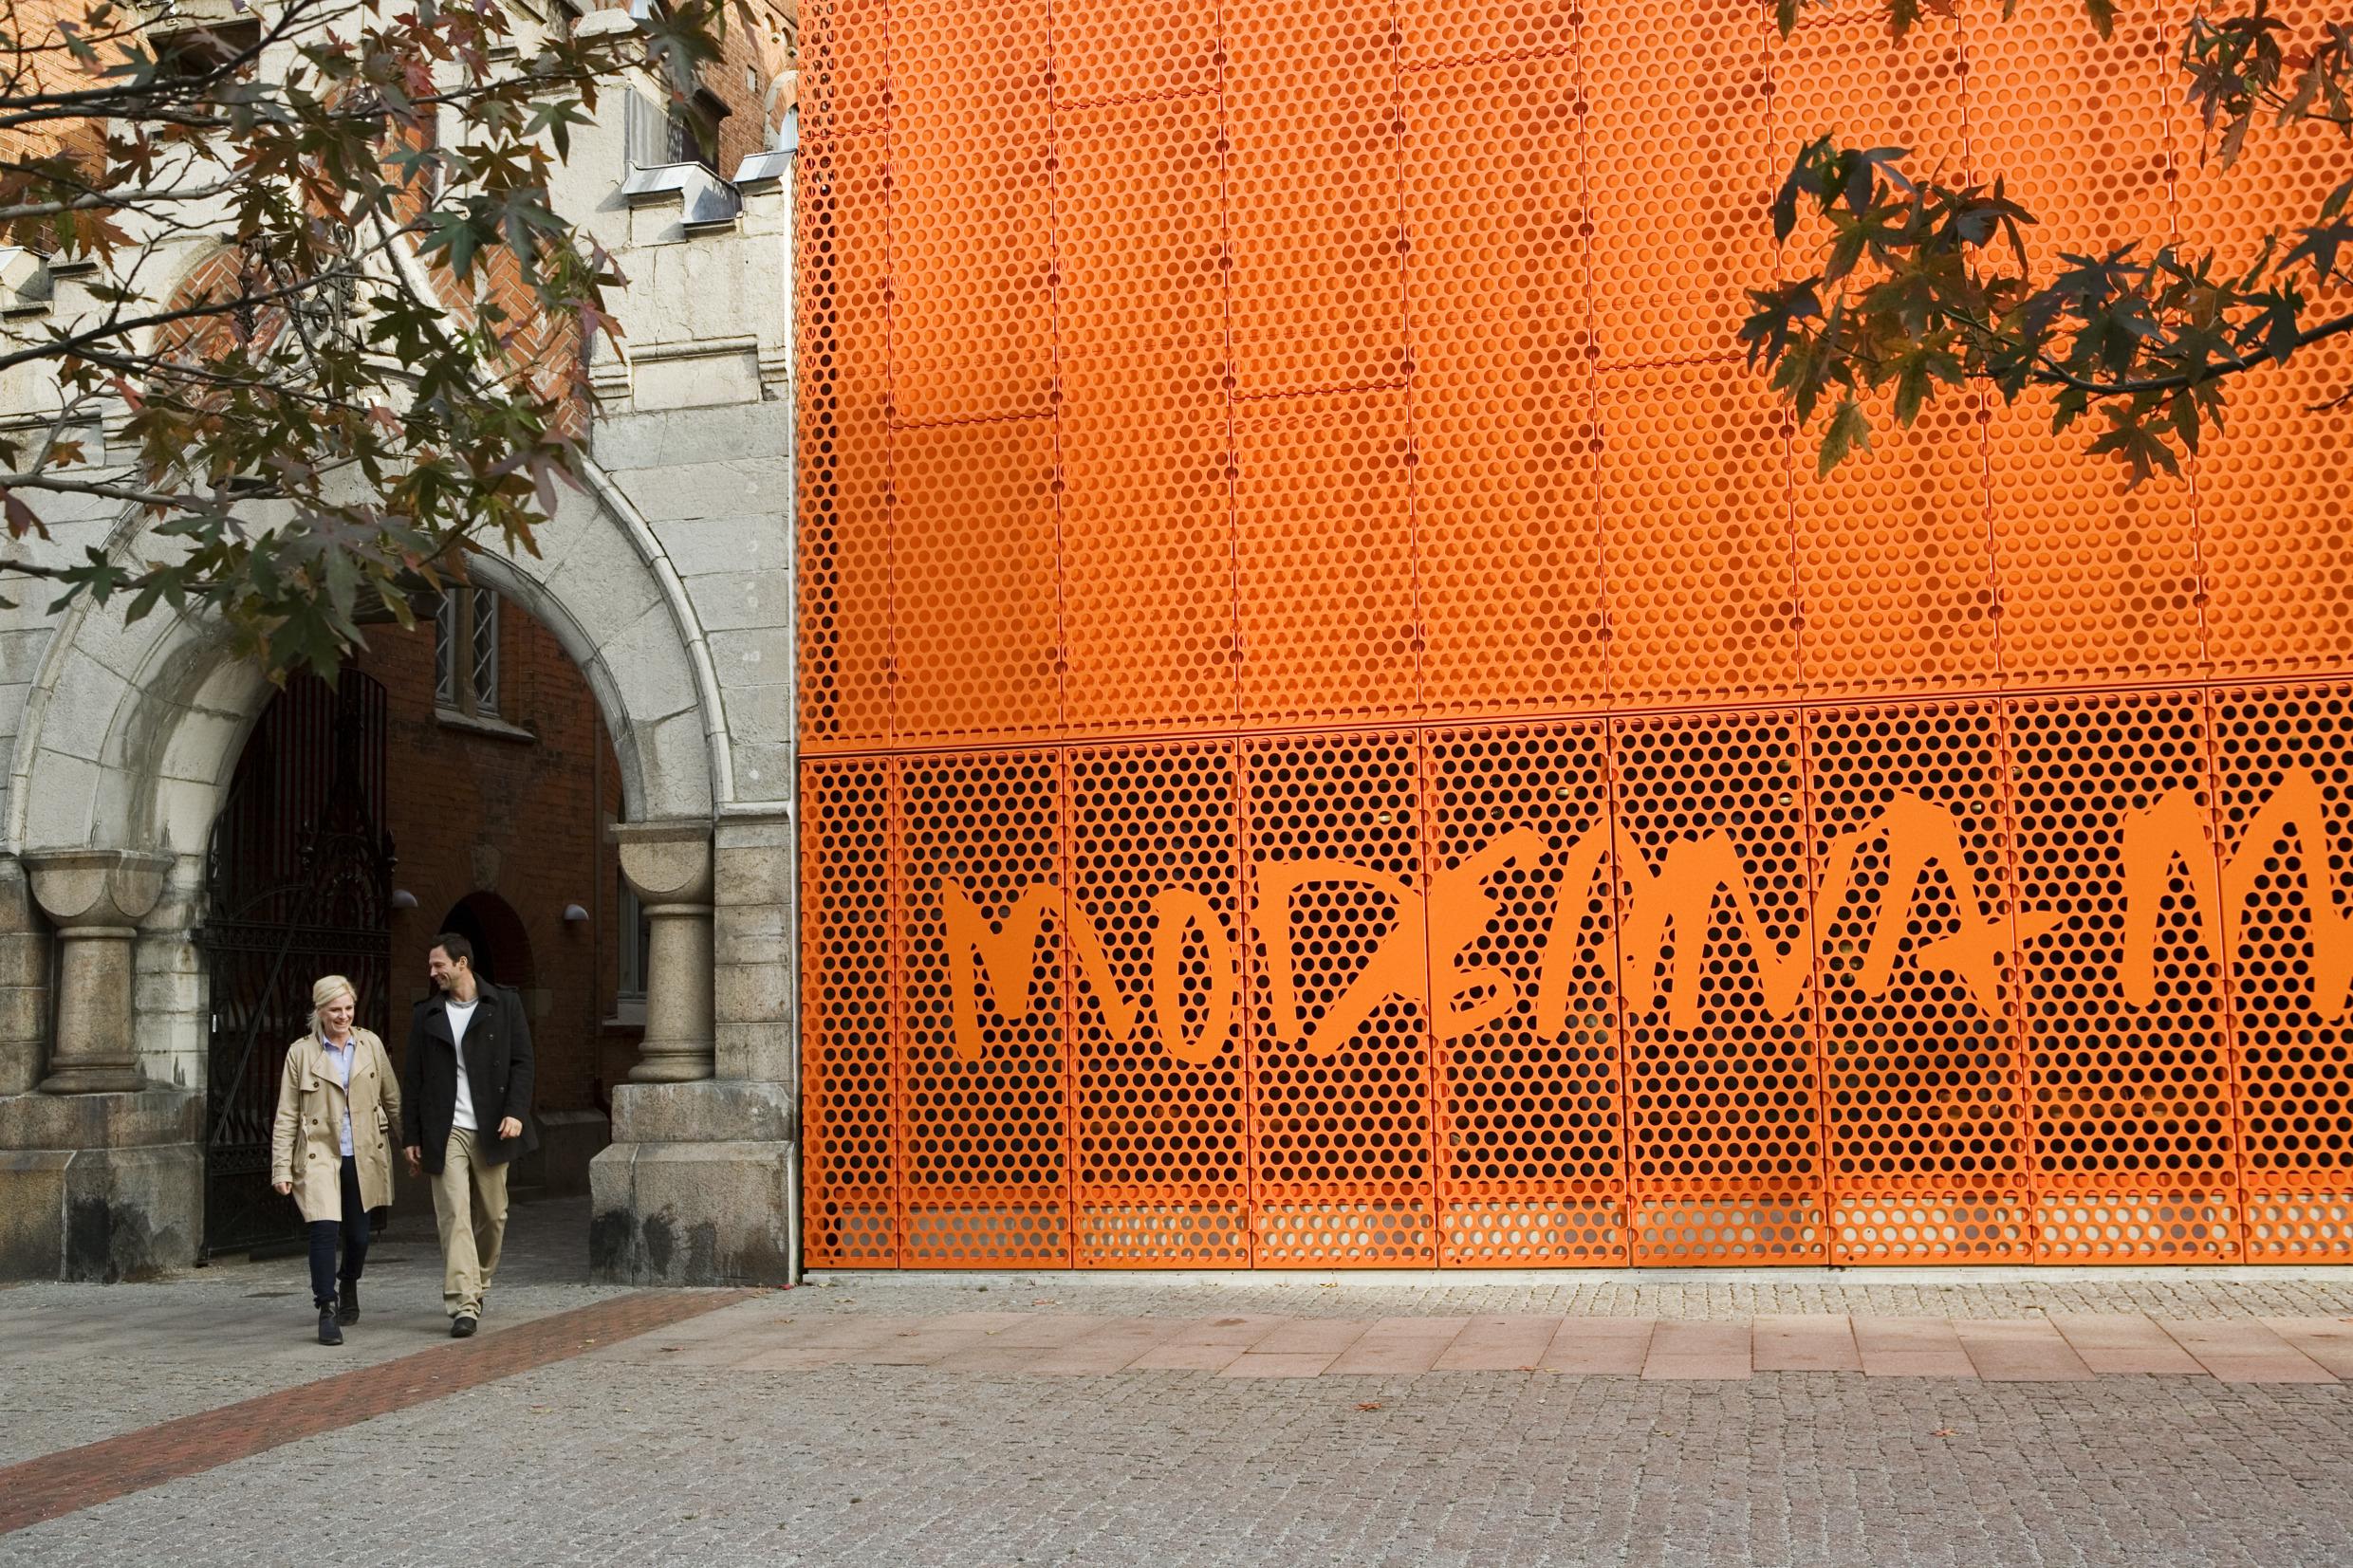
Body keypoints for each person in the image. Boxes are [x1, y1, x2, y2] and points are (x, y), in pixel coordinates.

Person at [400, 932, 537, 1337]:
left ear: (462, 964)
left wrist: (516, 1112)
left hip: (493, 1124)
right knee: (454, 1214)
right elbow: (414, 1079)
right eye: (430, 966)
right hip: (445, 1129)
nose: (433, 972)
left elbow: (523, 1063)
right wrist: (412, 1135)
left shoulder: (504, 1004)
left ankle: (477, 1282)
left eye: (439, 965)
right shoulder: (427, 1014)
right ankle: (463, 1302)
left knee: (494, 1216)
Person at [269, 974, 400, 1346]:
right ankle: (326, 1307)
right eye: (335, 1010)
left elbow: (392, 1098)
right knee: (324, 1231)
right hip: (319, 1154)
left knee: (359, 1236)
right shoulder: (301, 1053)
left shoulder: (370, 1044)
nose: (343, 1016)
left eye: (348, 1008)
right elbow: (287, 1114)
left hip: (363, 1151)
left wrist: (413, 1145)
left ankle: (349, 1281)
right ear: (320, 1012)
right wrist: (281, 1167)